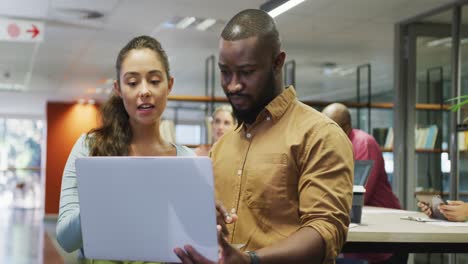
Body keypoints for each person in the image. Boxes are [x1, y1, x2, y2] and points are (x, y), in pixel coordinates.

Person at [174, 9, 354, 264]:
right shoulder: (222, 147)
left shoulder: (320, 135)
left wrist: (251, 261)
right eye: (225, 72)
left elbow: (325, 233)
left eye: (246, 72)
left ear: (277, 62)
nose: (233, 85)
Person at [56, 35, 196, 263]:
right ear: (118, 89)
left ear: (169, 85)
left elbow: (191, 244)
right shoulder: (90, 148)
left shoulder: (186, 160)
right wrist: (104, 197)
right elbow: (66, 239)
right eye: (132, 82)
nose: (144, 91)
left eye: (154, 80)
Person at [322, 103, 405, 264]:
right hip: (359, 230)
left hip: (384, 230)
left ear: (346, 127)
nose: (326, 133)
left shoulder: (363, 143)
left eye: (331, 127)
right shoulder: (333, 144)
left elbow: (359, 193)